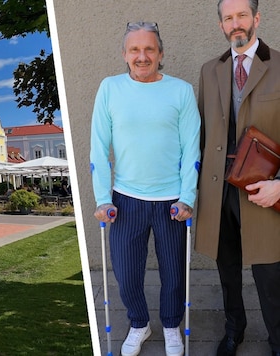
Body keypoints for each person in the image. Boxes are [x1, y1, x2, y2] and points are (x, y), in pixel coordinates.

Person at [90, 21, 200, 356]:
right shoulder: (110, 88)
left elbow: (191, 149)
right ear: (125, 54)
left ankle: (170, 326)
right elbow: (98, 147)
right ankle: (139, 323)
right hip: (126, 200)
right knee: (126, 272)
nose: (142, 56)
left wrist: (188, 197)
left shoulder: (180, 91)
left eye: (149, 49)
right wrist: (101, 199)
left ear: (160, 53)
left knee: (174, 273)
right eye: (135, 49)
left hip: (170, 201)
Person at [195, 1, 280, 355]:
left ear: (256, 18)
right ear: (221, 25)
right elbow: (201, 133)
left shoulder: (279, 65)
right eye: (228, 18)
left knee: (270, 274)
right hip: (219, 190)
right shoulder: (209, 70)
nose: (235, 23)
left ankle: (278, 339)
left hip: (263, 187)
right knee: (227, 269)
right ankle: (235, 330)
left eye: (242, 15)